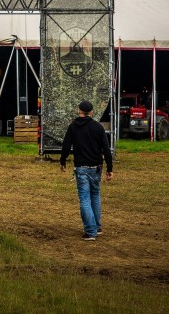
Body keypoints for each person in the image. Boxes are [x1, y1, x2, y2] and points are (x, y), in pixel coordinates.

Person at [60, 100, 114, 240]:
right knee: (95, 195)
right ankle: (97, 226)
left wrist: (62, 161)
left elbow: (66, 147)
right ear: (91, 112)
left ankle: (90, 232)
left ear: (79, 111)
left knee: (84, 199)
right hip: (97, 167)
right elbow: (106, 150)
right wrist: (109, 168)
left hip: (81, 168)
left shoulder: (73, 127)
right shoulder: (98, 127)